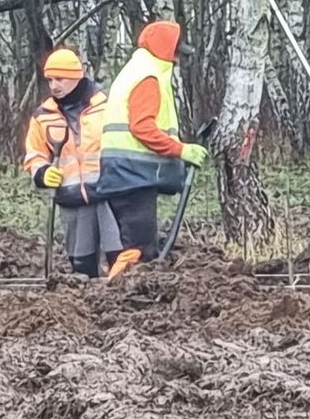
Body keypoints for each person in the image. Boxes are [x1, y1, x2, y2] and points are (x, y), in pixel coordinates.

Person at [96, 20, 208, 279]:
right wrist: (179, 150)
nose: (178, 61)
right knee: (140, 250)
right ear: (165, 51)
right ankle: (114, 295)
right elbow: (142, 127)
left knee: (137, 245)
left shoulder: (136, 70)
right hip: (131, 176)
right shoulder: (148, 77)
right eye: (177, 54)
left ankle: (119, 294)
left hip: (126, 175)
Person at [23, 47, 122, 277]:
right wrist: (42, 173)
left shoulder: (107, 107)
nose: (54, 85)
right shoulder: (43, 116)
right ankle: (84, 306)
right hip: (71, 198)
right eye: (50, 79)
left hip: (108, 195)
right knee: (81, 263)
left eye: (60, 78)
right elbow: (34, 154)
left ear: (76, 77)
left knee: (119, 257)